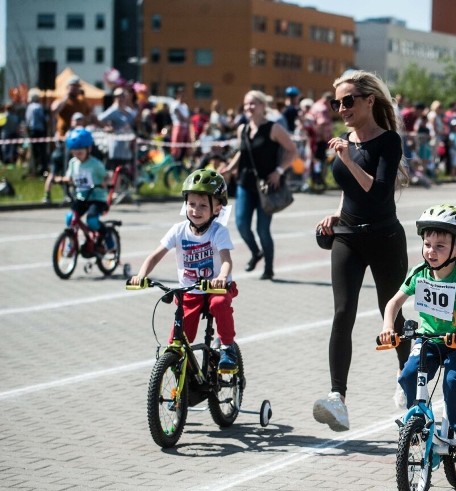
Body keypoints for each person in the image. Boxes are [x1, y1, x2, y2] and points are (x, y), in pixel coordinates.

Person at [312, 69, 412, 432]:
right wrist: (337, 213)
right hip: (348, 237)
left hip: (385, 238)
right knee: (342, 313)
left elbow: (378, 192)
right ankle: (337, 398)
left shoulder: (388, 142)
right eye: (337, 102)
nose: (342, 108)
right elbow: (351, 192)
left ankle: (409, 385)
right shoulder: (344, 140)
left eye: (348, 100)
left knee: (393, 313)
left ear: (370, 100)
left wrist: (349, 158)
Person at [379, 205, 456, 459]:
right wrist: (388, 326)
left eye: (440, 246)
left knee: (453, 382)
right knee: (409, 375)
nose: (431, 251)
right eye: (427, 244)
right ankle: (419, 422)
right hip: (429, 339)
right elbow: (393, 303)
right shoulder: (419, 273)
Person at [129, 169, 239, 372]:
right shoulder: (178, 230)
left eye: (203, 205)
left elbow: (226, 260)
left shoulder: (219, 232)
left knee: (220, 303)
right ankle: (182, 383)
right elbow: (155, 256)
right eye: (192, 204)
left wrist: (222, 277)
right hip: (190, 292)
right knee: (177, 343)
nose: (196, 210)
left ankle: (227, 347)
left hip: (215, 288)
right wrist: (141, 275)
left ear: (217, 209)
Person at [219, 90, 298, 280]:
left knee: (263, 229)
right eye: (247, 104)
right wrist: (229, 168)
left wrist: (279, 171)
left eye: (253, 103)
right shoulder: (243, 129)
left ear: (263, 106)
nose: (249, 107)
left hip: (267, 185)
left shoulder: (274, 128)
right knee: (241, 224)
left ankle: (269, 268)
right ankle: (256, 253)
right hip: (245, 183)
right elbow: (242, 152)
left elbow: (292, 150)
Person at [57, 128, 111, 252]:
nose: (77, 152)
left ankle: (106, 234)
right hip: (82, 197)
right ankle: (72, 241)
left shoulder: (95, 164)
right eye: (74, 149)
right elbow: (69, 178)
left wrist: (104, 182)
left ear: (89, 149)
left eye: (80, 149)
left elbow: (107, 176)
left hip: (97, 198)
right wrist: (59, 179)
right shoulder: (73, 163)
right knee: (70, 218)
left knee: (92, 221)